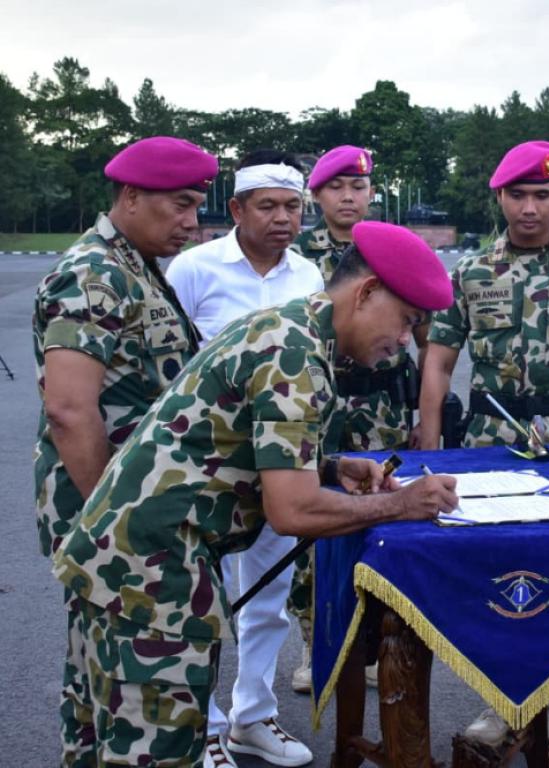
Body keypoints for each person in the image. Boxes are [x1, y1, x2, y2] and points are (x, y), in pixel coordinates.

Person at [52, 221, 458, 768]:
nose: (405, 339)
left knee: (95, 743)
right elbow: (291, 511)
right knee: (155, 752)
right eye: (407, 320)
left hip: (119, 563)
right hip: (153, 579)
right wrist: (403, 503)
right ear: (365, 293)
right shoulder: (297, 356)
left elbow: (228, 441)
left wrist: (331, 466)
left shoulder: (284, 329)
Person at [418, 139, 549, 752]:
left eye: (543, 194)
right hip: (487, 443)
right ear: (500, 197)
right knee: (494, 567)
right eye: (519, 194)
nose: (530, 207)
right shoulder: (468, 272)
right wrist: (430, 442)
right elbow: (438, 362)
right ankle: (498, 698)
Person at [32, 136, 216, 767]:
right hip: (119, 522)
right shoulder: (96, 273)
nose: (193, 223)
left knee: (102, 690)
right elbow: (70, 407)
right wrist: (114, 524)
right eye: (182, 206)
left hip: (124, 512)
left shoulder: (134, 265)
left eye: (198, 207)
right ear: (132, 197)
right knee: (145, 701)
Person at [165, 150, 324, 768]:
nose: (283, 218)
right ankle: (202, 727)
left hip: (279, 465)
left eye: (292, 207)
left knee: (268, 598)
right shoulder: (194, 270)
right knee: (198, 600)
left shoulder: (307, 277)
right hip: (202, 467)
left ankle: (252, 717)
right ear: (235, 209)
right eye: (268, 206)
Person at [289, 145, 430, 693]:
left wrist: (421, 416)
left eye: (359, 187)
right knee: (314, 520)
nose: (349, 197)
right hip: (315, 406)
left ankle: (375, 636)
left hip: (383, 407)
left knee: (380, 509)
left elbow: (420, 338)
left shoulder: (398, 250)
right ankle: (314, 639)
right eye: (336, 187)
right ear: (318, 195)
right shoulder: (299, 257)